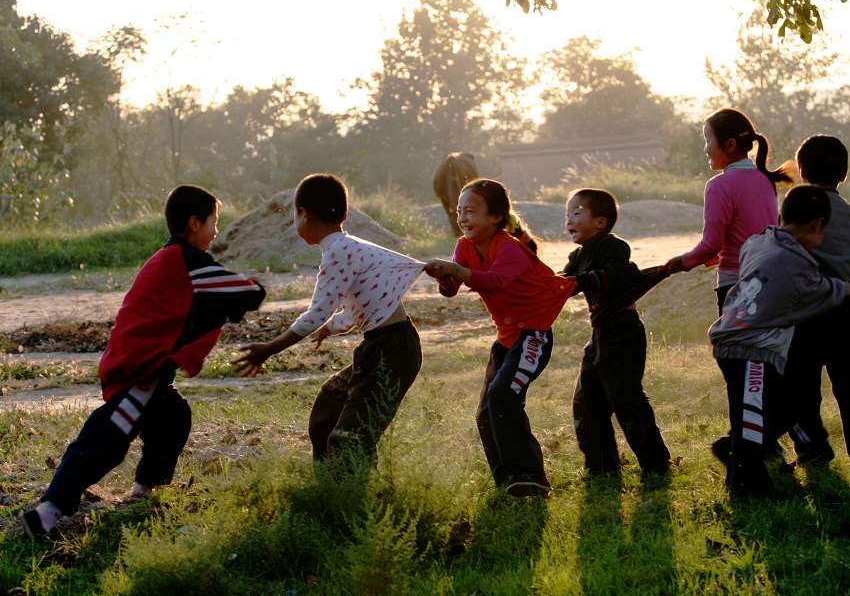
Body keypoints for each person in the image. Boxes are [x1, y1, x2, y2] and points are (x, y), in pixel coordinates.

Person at [22, 185, 266, 538]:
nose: (216, 231)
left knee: (173, 416)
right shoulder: (187, 261)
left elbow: (213, 298)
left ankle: (145, 491)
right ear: (195, 223)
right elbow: (247, 292)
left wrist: (228, 304)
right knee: (103, 441)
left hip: (144, 369)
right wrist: (247, 293)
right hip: (140, 374)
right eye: (214, 222)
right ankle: (48, 511)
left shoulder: (168, 258)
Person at [233, 174, 424, 468]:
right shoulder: (346, 248)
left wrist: (270, 348)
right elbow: (357, 304)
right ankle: (328, 488)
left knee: (350, 438)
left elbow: (314, 314)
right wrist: (331, 327)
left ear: (303, 214)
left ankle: (352, 502)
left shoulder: (337, 253)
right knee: (329, 408)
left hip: (392, 350)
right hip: (386, 346)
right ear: (345, 214)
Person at [425, 178, 575, 497]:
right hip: (506, 341)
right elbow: (451, 290)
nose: (463, 218)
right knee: (486, 412)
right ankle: (507, 480)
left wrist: (455, 271)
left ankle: (531, 477)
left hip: (532, 336)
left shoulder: (510, 248)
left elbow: (495, 282)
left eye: (471, 211)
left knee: (503, 396)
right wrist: (444, 278)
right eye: (459, 212)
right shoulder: (464, 247)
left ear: (496, 217)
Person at [708, 185, 849, 497]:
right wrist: (843, 287)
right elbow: (816, 292)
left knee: (784, 407)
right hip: (750, 348)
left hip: (737, 340)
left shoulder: (758, 242)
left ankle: (734, 451)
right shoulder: (792, 263)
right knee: (753, 419)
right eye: (821, 234)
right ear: (816, 226)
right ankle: (747, 486)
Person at [783, 135, 850, 465]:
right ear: (844, 174)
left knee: (800, 386)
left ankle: (813, 449)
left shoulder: (793, 209)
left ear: (800, 170)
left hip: (810, 308)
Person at [561, 188, 671, 479]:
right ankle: (601, 467)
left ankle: (656, 464)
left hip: (622, 331)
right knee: (587, 401)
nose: (568, 220)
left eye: (576, 212)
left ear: (600, 222)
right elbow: (561, 284)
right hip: (599, 335)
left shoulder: (613, 247)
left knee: (626, 399)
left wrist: (578, 281)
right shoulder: (578, 255)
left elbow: (615, 276)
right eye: (566, 214)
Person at [666, 108, 787, 314]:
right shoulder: (764, 179)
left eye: (708, 139)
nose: (705, 149)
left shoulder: (718, 185)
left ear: (730, 145)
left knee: (733, 343)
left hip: (737, 285)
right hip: (771, 279)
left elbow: (711, 245)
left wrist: (681, 262)